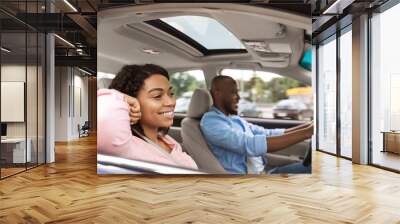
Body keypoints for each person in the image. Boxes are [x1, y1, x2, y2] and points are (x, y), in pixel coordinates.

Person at [200, 75, 313, 174]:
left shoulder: (234, 119)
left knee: (311, 168)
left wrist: (308, 126)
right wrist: (307, 133)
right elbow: (249, 145)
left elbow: (266, 133)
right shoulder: (211, 122)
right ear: (217, 93)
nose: (238, 98)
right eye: (233, 92)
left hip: (263, 172)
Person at [97, 64, 198, 170]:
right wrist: (120, 97)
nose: (171, 102)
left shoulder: (167, 140)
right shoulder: (124, 146)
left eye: (170, 93)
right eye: (157, 96)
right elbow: (103, 116)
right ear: (132, 101)